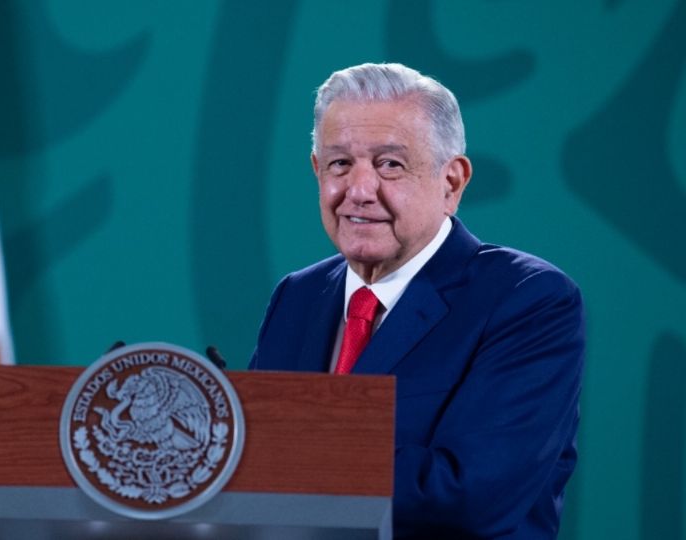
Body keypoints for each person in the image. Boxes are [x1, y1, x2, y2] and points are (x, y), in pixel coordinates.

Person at [249, 62, 584, 539]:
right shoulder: (297, 296)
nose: (359, 191)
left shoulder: (527, 300)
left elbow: (469, 496)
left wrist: (287, 455)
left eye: (390, 164)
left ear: (452, 183)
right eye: (340, 164)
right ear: (317, 171)